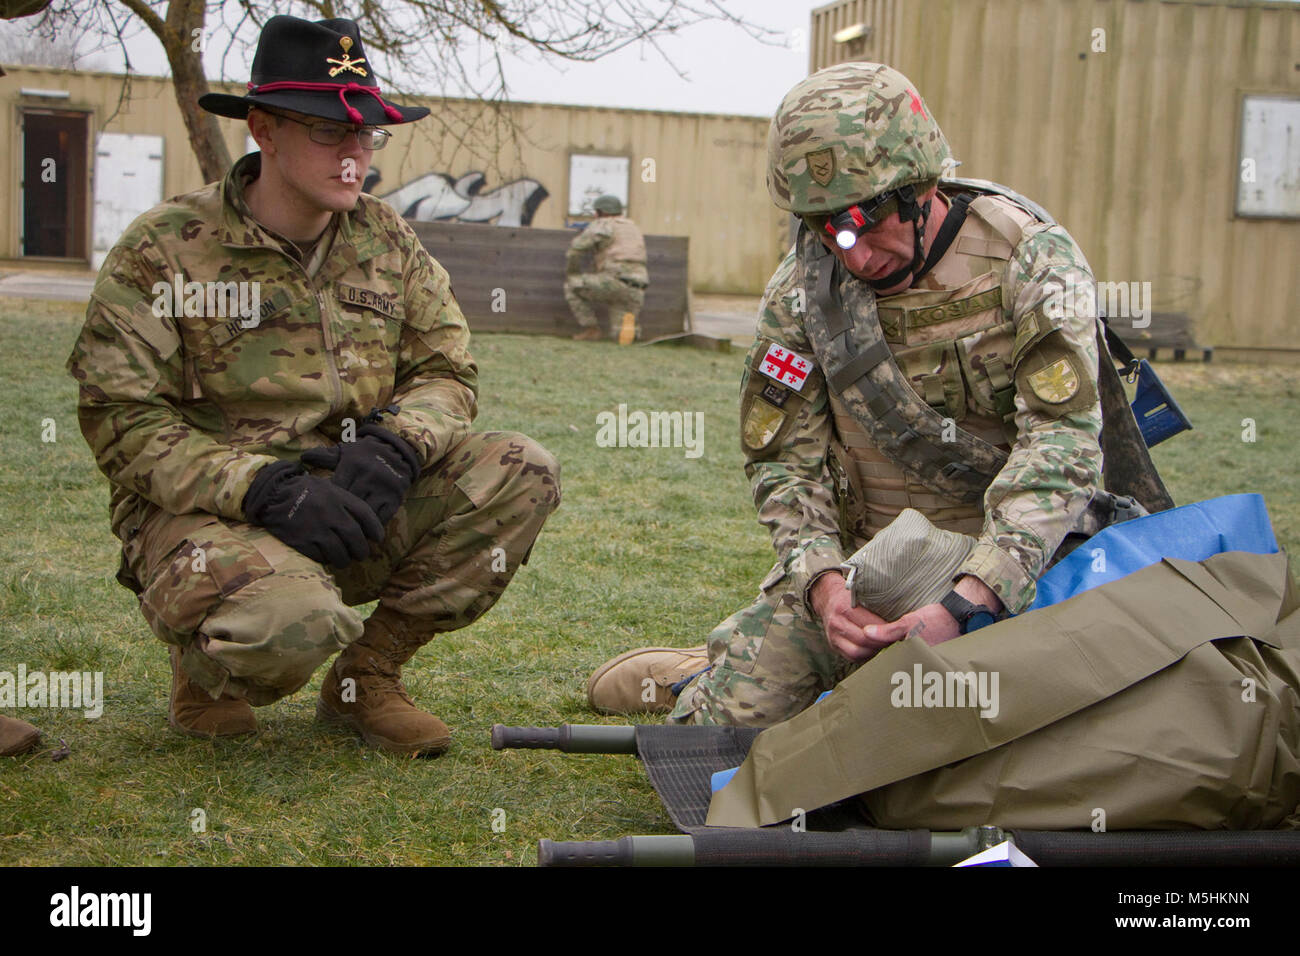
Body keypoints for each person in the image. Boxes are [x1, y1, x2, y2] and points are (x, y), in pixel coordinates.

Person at [588, 62, 1162, 725]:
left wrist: (972, 597)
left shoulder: (1030, 260)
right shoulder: (803, 294)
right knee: (713, 744)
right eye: (829, 226)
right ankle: (706, 675)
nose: (856, 254)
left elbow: (1060, 445)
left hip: (1018, 568)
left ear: (923, 186)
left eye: (873, 217)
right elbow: (783, 462)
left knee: (989, 742)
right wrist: (825, 587)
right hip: (869, 572)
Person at [66, 16, 560, 755]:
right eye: (331, 131)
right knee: (290, 624)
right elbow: (119, 419)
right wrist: (260, 487)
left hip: (348, 497)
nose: (355, 152)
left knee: (521, 469)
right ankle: (207, 668)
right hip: (206, 514)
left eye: (368, 134)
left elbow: (447, 370)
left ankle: (366, 679)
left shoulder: (386, 239)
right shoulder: (164, 249)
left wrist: (397, 444)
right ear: (262, 128)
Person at [564, 195, 649, 342]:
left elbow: (575, 249)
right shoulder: (633, 227)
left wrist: (572, 272)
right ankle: (631, 331)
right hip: (638, 286)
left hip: (614, 280)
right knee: (620, 336)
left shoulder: (603, 224)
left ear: (599, 212)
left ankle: (591, 329)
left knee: (571, 285)